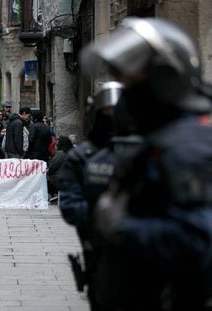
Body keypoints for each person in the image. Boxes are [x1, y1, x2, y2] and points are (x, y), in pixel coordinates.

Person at [80, 17, 212, 311]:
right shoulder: (166, 138)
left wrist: (122, 226)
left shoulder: (188, 147)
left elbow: (198, 239)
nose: (126, 95)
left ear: (164, 81)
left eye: (133, 84)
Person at [56, 81, 123, 311]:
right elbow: (71, 205)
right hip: (99, 248)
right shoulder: (81, 157)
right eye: (107, 113)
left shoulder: (145, 150)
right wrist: (103, 217)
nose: (113, 118)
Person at [47, 136, 73, 202]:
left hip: (60, 178)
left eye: (58, 142)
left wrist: (47, 171)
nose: (56, 144)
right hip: (70, 177)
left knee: (46, 177)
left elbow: (52, 166)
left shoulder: (60, 153)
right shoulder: (72, 152)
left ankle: (55, 194)